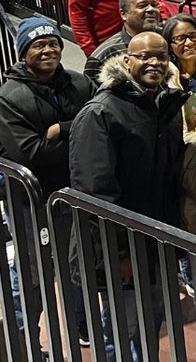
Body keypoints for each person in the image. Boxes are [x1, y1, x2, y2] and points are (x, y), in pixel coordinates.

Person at [70, 32, 190, 361]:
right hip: (117, 246)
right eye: (144, 56)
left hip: (156, 239)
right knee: (120, 328)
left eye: (161, 56)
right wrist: (119, 252)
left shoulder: (166, 105)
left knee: (151, 319)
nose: (154, 62)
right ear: (127, 61)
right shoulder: (101, 112)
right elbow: (94, 192)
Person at [0, 17, 94, 350]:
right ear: (24, 51)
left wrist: (63, 128)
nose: (49, 50)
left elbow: (96, 125)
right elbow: (31, 152)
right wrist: (78, 135)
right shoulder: (9, 96)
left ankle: (82, 320)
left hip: (71, 192)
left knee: (76, 262)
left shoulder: (79, 83)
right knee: (32, 269)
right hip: (30, 199)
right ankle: (23, 332)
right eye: (38, 44)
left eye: (53, 43)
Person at [83, 0, 161, 83]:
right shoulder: (104, 54)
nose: (151, 9)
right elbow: (91, 94)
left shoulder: (169, 40)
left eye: (154, 5)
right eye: (142, 6)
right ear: (123, 14)